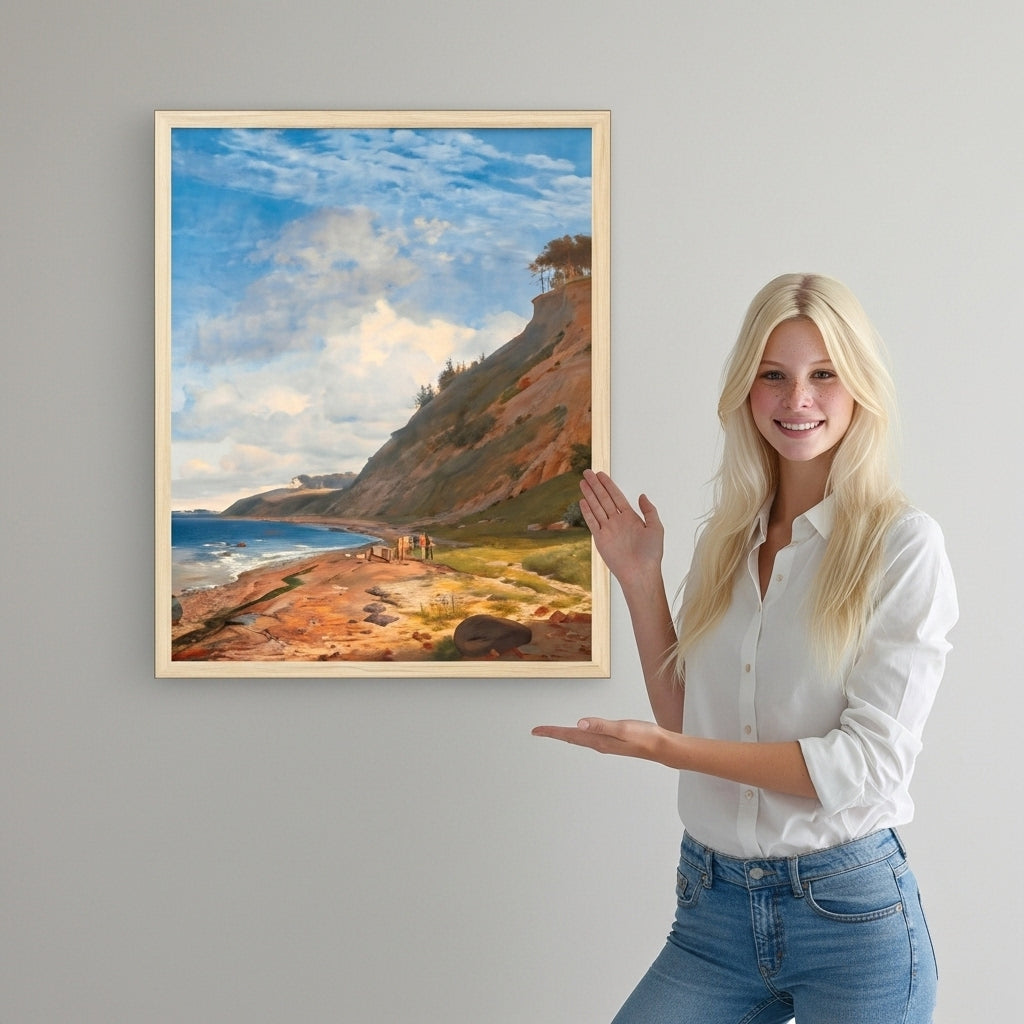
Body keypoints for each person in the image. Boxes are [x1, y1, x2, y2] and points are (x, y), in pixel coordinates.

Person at [532, 273, 957, 1023]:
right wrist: (639, 577)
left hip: (851, 921)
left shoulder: (902, 546)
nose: (799, 400)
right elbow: (688, 715)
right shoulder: (727, 542)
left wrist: (668, 752)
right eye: (775, 376)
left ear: (859, 386)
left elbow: (869, 766)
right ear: (746, 390)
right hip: (712, 910)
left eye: (824, 374)